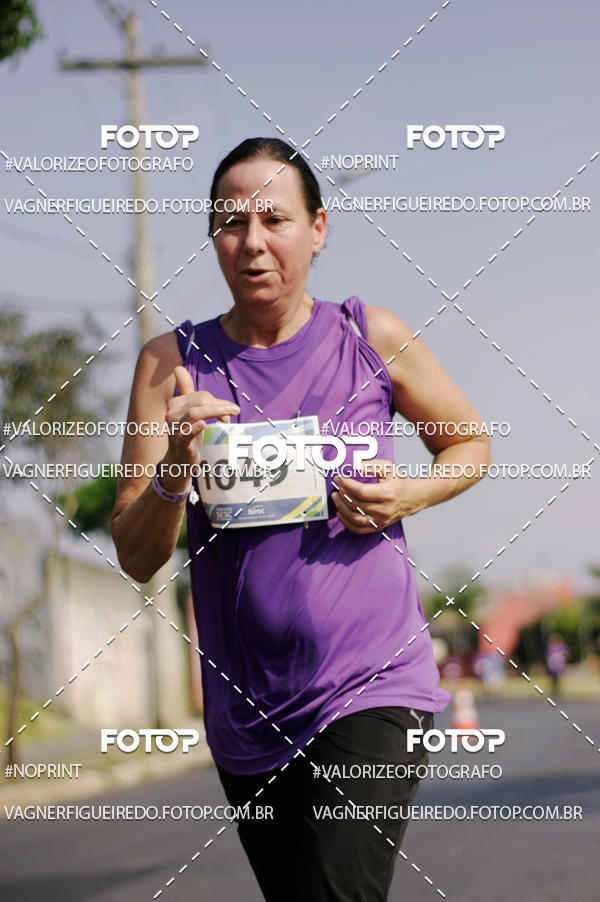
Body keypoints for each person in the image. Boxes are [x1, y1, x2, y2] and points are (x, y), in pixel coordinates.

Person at [111, 137, 492, 901]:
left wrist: (409, 494)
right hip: (248, 714)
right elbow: (134, 552)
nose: (252, 242)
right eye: (230, 222)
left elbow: (471, 443)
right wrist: (176, 467)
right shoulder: (168, 365)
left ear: (317, 228)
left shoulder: (370, 335)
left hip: (372, 685)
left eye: (274, 220)